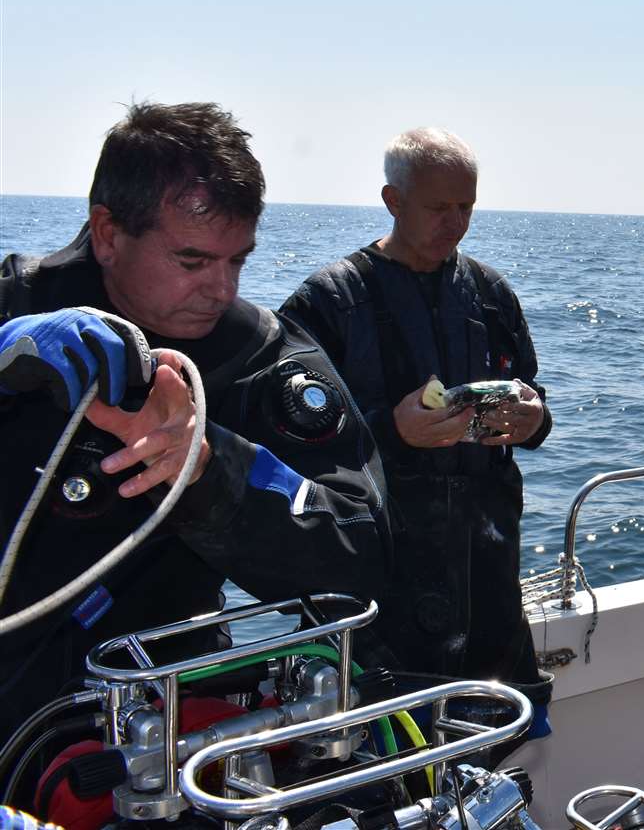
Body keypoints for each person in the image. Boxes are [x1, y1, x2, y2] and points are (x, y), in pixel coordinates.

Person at [0, 101, 391, 746]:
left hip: (156, 724)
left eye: (237, 261)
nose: (221, 289)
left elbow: (360, 551)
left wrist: (207, 467)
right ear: (106, 233)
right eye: (192, 261)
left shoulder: (258, 360)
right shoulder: (17, 306)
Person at [281, 127, 550, 686]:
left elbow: (531, 391)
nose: (455, 223)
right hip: (380, 573)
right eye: (438, 207)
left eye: (466, 206)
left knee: (493, 724)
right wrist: (389, 432)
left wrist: (533, 419)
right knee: (382, 741)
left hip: (486, 569)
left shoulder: (491, 293)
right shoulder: (326, 303)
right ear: (393, 201)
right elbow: (282, 445)